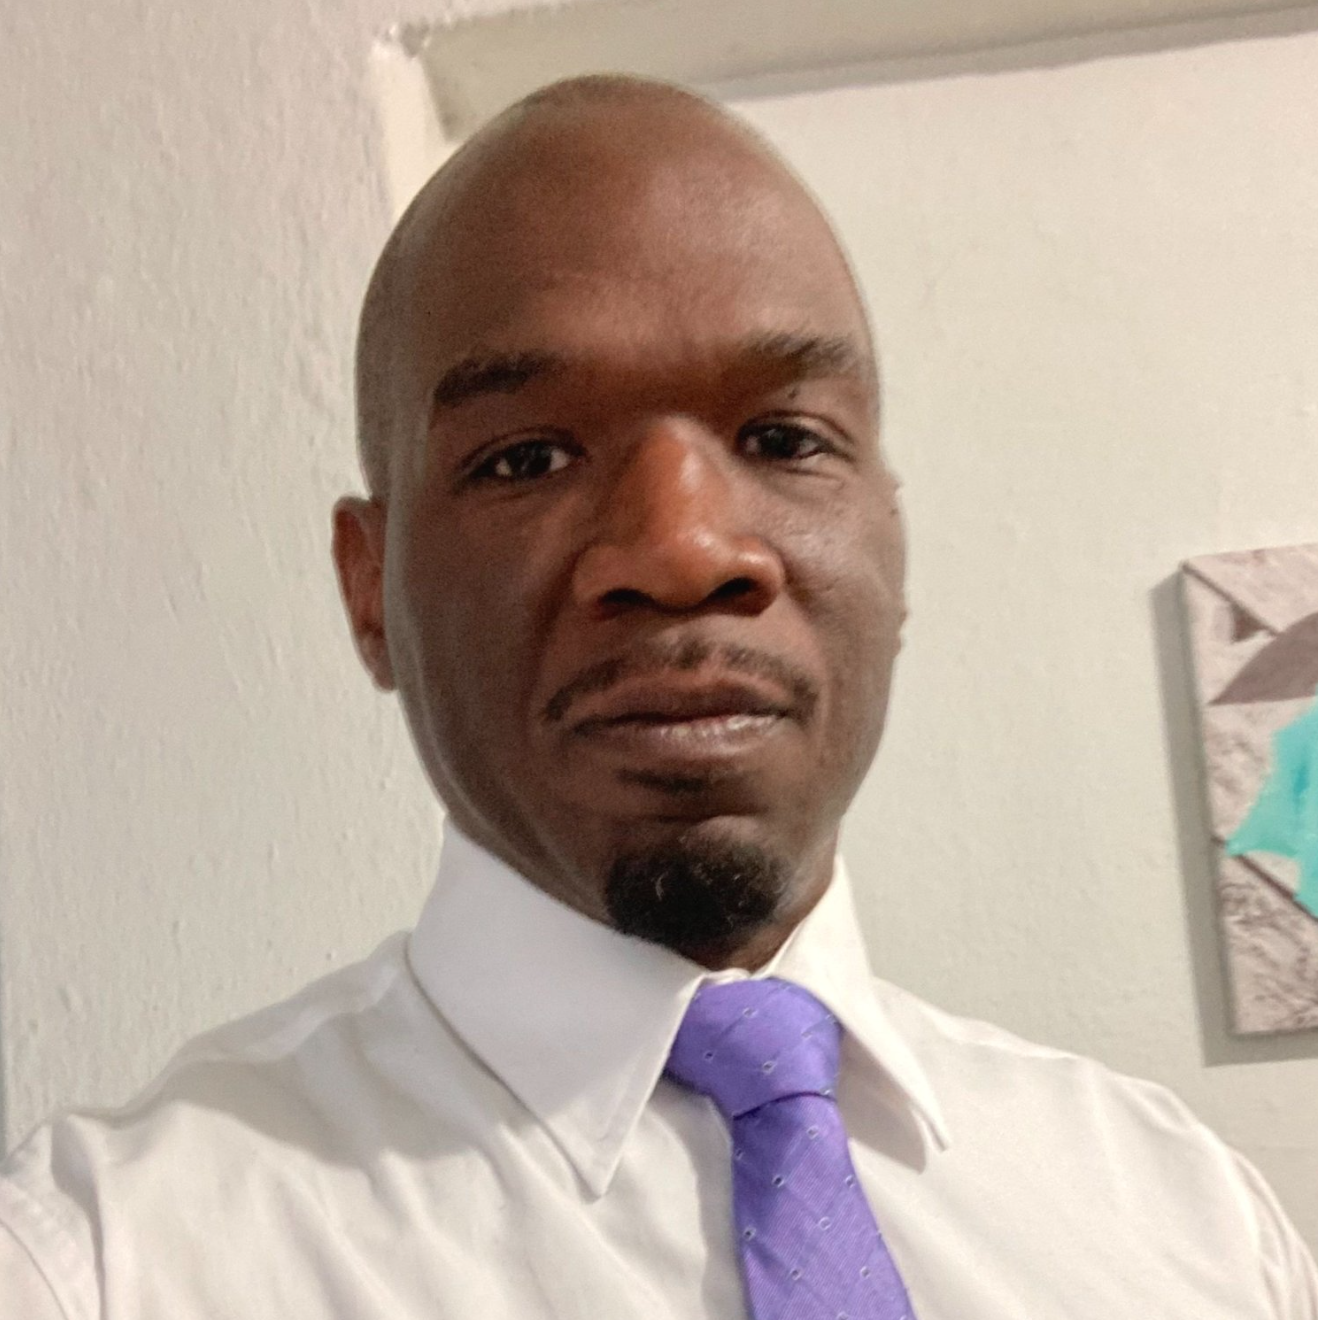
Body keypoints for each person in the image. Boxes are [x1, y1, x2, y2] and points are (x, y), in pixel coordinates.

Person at [1, 73, 1314, 1320]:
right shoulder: (105, 1265)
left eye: (784, 440)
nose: (685, 550)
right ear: (368, 589)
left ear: (895, 542)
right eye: (527, 457)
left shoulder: (1190, 1223)